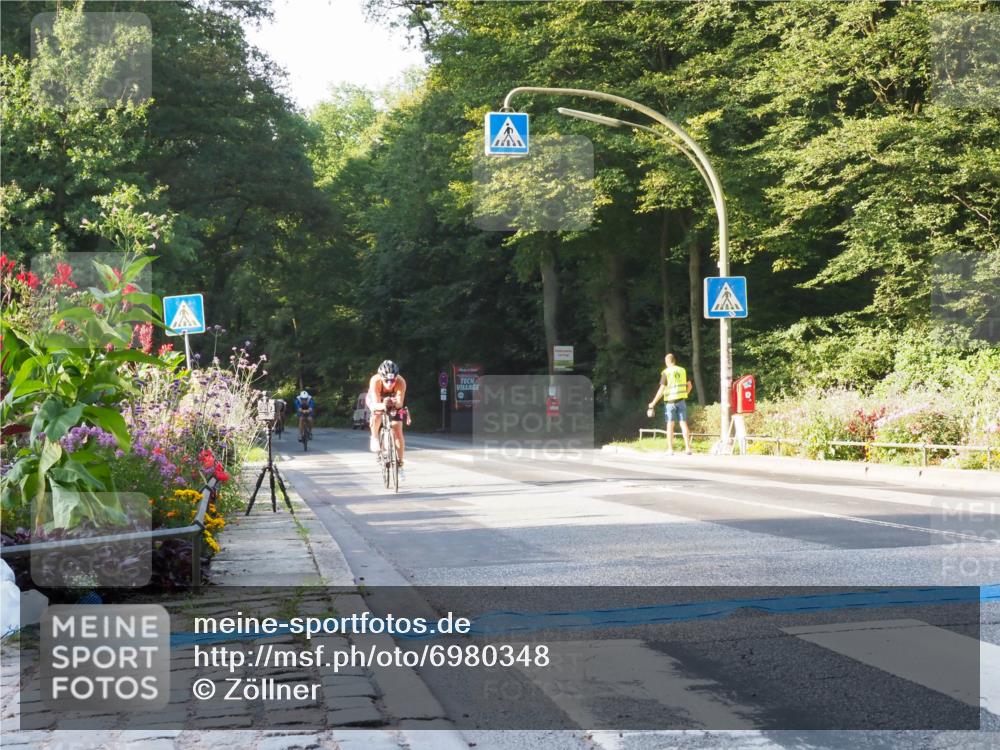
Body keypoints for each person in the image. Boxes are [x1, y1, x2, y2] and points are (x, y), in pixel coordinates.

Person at [647, 353, 693, 455]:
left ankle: (671, 450)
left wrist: (653, 403)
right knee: (683, 423)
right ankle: (688, 449)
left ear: (667, 362)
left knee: (670, 425)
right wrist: (685, 394)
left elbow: (661, 390)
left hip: (670, 403)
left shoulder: (666, 372)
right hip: (681, 401)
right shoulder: (682, 370)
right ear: (674, 360)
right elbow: (689, 386)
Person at [367, 360, 408, 469]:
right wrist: (383, 404)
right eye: (386, 380)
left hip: (393, 401)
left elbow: (399, 403)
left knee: (398, 429)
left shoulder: (401, 381)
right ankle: (374, 437)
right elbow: (376, 403)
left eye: (392, 380)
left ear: (396, 377)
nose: (390, 383)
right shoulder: (375, 381)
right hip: (377, 400)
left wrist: (394, 403)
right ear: (381, 378)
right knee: (377, 414)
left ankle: (400, 463)